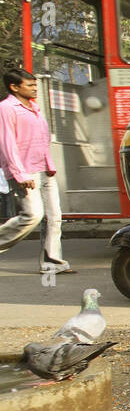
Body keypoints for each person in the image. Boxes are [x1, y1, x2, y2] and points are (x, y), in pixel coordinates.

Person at [0, 68, 71, 274]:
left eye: (34, 85)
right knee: (32, 215)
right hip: (25, 172)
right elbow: (7, 144)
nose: (34, 89)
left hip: (44, 169)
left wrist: (49, 165)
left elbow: (41, 139)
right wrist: (20, 174)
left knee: (54, 217)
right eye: (29, 85)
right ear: (14, 87)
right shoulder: (6, 108)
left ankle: (52, 262)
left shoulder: (34, 107)